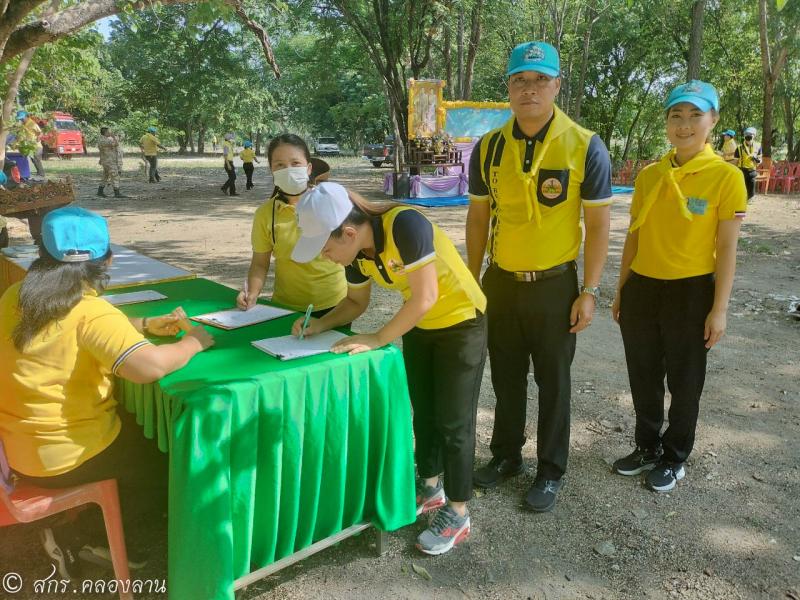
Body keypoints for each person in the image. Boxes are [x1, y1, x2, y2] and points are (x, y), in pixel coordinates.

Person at [0, 206, 214, 579]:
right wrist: (193, 342)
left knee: (134, 429)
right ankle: (83, 536)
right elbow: (149, 368)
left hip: (18, 449)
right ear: (109, 260)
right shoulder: (92, 312)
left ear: (42, 257)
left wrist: (143, 325)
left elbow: (72, 330)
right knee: (165, 463)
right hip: (67, 455)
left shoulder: (17, 296)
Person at [290, 182, 487, 556]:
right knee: (424, 413)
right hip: (421, 326)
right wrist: (320, 324)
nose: (327, 257)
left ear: (348, 232)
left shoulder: (405, 225)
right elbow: (354, 303)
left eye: (327, 249)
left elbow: (427, 295)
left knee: (454, 422)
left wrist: (379, 338)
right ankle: (430, 488)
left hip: (462, 324)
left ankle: (458, 511)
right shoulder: (359, 253)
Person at [466, 41, 612, 512]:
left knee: (554, 381)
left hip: (555, 285)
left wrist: (589, 290)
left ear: (557, 85)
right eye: (520, 81)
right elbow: (477, 218)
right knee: (506, 376)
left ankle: (550, 470)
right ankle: (506, 455)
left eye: (540, 80)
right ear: (508, 87)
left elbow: (599, 225)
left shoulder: (585, 145)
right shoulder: (488, 147)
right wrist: (471, 279)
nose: (530, 89)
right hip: (502, 282)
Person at [610, 80, 746, 492]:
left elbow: (726, 249)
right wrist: (621, 287)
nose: (684, 125)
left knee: (685, 381)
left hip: (690, 292)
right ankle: (647, 446)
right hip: (643, 289)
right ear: (667, 121)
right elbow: (634, 236)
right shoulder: (650, 176)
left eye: (695, 115)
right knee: (643, 374)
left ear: (713, 120)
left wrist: (718, 309)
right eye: (676, 115)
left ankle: (675, 456)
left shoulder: (726, 178)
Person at [236, 134, 346, 314]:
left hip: (335, 306)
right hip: (286, 308)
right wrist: (251, 293)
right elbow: (259, 264)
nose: (288, 169)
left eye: (295, 163)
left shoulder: (330, 203)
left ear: (309, 168)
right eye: (280, 165)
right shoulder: (265, 214)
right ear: (272, 170)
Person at [97, 126, 126, 198]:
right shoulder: (105, 140)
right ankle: (117, 193)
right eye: (108, 131)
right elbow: (116, 144)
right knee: (115, 175)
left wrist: (100, 159)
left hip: (107, 160)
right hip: (109, 161)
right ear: (105, 132)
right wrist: (113, 136)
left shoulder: (103, 139)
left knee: (105, 176)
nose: (110, 132)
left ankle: (100, 191)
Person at [15, 111, 45, 178]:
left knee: (36, 158)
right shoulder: (23, 124)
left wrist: (38, 138)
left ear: (26, 116)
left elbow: (40, 132)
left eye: (22, 118)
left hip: (37, 146)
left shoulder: (32, 123)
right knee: (33, 159)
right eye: (20, 119)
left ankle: (41, 174)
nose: (21, 120)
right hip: (29, 146)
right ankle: (39, 172)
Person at [735, 126, 762, 200]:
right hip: (742, 171)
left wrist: (758, 160)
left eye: (751, 135)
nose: (749, 137)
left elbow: (760, 159)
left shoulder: (758, 146)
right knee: (742, 190)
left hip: (752, 171)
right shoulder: (739, 147)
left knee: (751, 193)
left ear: (754, 136)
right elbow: (735, 161)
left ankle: (749, 200)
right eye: (747, 135)